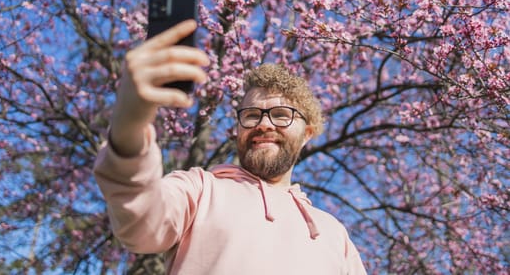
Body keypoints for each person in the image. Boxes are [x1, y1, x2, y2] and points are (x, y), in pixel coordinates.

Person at [93, 20, 367, 274]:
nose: (264, 124)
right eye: (251, 115)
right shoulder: (199, 190)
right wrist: (129, 126)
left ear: (307, 133)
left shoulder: (334, 234)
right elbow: (141, 223)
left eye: (281, 115)